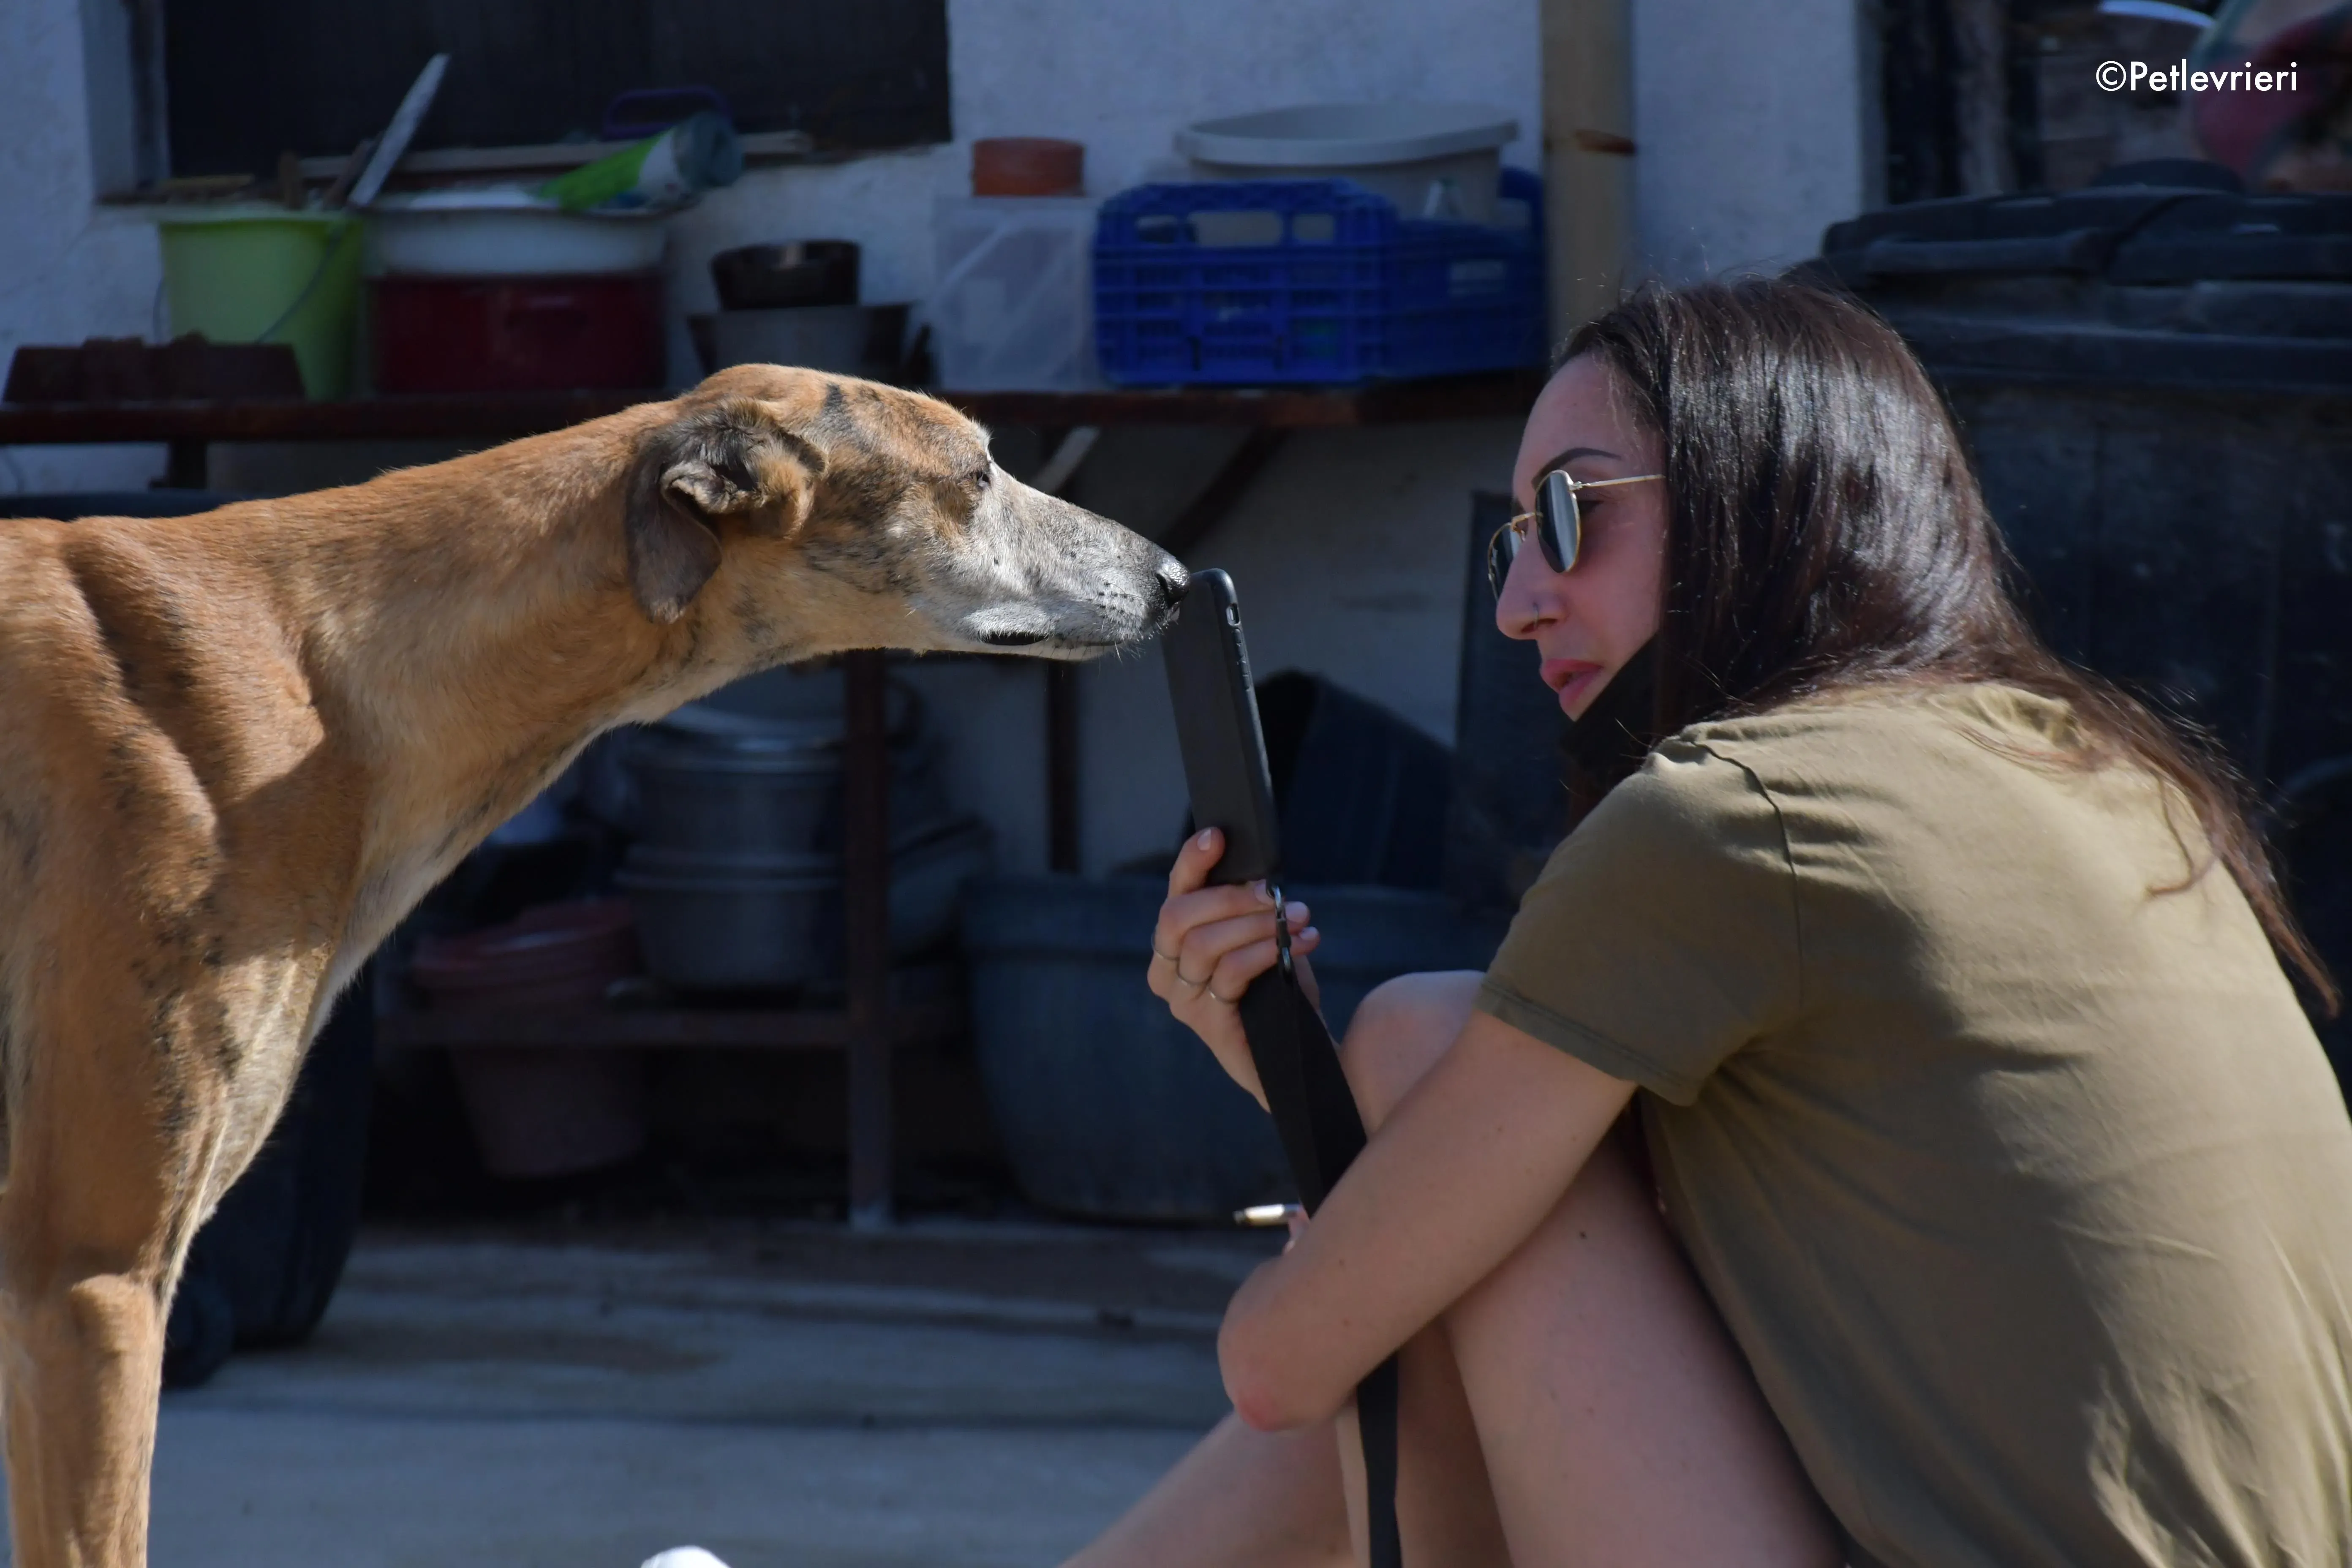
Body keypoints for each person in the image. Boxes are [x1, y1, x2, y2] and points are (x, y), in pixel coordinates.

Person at [1075, 278, 2352, 1568]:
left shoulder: (1737, 818)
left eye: (1569, 514)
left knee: (1418, 1044)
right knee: (1441, 1195)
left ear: (1769, 495)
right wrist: (1315, 1105)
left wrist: (1353, 1165)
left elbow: (1281, 1364)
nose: (1519, 601)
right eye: (1509, 538)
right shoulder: (2117, 782)